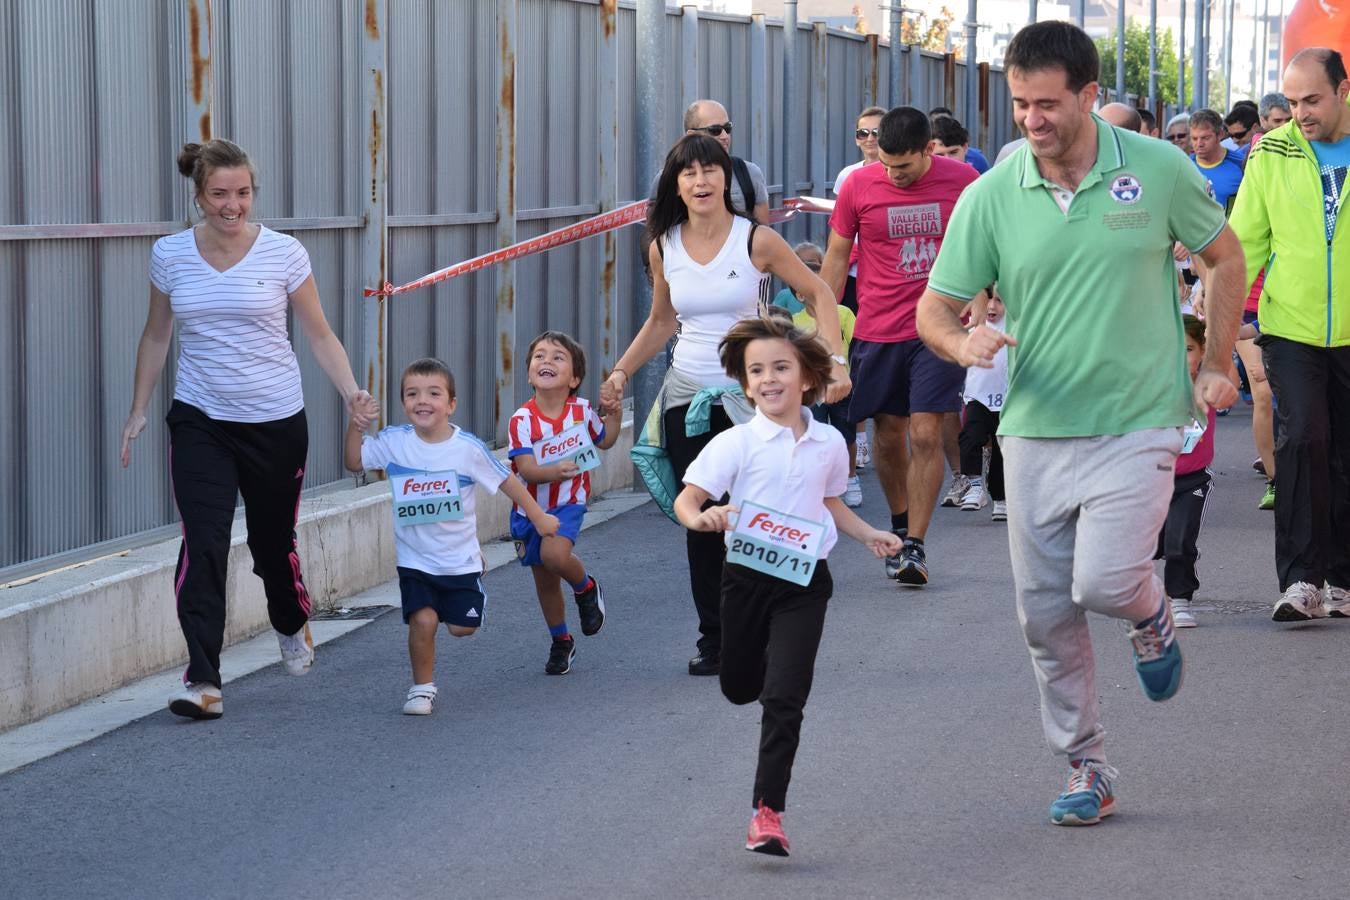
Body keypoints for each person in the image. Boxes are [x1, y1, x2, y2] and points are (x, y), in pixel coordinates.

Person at [916, 20, 1245, 825]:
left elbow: (1227, 259)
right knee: (1044, 612)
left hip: (1139, 416)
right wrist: (964, 340)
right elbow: (934, 308)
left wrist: (1215, 362)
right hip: (1034, 426)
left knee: (1102, 582)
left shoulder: (1159, 170)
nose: (1033, 119)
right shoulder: (993, 195)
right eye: (1022, 103)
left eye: (1049, 103)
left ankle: (1149, 611)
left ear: (1091, 96)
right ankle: (1087, 766)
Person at [119, 140, 375, 720]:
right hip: (200, 419)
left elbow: (318, 334)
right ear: (198, 195)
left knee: (270, 546)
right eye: (219, 194)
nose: (231, 205)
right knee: (204, 544)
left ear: (252, 192)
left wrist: (350, 393)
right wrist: (138, 409)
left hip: (275, 421)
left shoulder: (284, 253)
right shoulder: (170, 254)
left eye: (242, 193)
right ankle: (203, 679)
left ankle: (290, 619)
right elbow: (157, 334)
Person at [601, 133, 849, 677]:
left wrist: (834, 361)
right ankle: (715, 639)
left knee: (757, 516)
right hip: (688, 395)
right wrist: (621, 371)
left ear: (725, 181)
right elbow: (663, 321)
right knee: (705, 522)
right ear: (677, 185)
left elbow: (820, 294)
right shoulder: (662, 244)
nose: (700, 181)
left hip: (753, 398)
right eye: (688, 173)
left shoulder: (756, 240)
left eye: (709, 170)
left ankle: (762, 623)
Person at [672, 314, 901, 857]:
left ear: (806, 378)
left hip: (804, 582)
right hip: (746, 579)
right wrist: (701, 519)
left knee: (784, 698)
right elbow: (688, 498)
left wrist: (870, 534)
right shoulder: (736, 443)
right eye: (757, 371)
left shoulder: (828, 444)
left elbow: (828, 502)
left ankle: (767, 812)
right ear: (745, 383)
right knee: (739, 685)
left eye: (780, 367)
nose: (769, 378)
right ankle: (747, 672)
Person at [819, 106, 978, 587]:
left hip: (938, 326)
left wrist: (985, 293)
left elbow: (987, 245)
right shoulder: (858, 186)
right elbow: (836, 257)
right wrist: (828, 336)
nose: (893, 174)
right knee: (889, 435)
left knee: (927, 432)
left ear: (929, 149)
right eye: (886, 164)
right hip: (877, 327)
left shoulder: (965, 181)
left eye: (903, 166)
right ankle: (900, 523)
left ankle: (915, 545)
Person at [344, 359, 559, 714]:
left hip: (458, 560)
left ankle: (475, 579)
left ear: (451, 404)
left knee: (461, 628)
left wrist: (538, 517)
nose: (422, 401)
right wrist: (356, 426)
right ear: (403, 403)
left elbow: (507, 481)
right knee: (423, 620)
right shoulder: (395, 442)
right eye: (412, 394)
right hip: (414, 559)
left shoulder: (467, 449)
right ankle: (421, 689)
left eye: (433, 393)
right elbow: (354, 462)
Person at [1229, 47, 1350, 622]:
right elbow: (1246, 240)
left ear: (1343, 90)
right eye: (1293, 100)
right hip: (1291, 327)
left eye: (1312, 100)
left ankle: (1346, 580)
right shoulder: (1271, 152)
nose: (1300, 112)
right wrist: (1221, 316)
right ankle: (1303, 579)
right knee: (1303, 439)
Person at [507, 331, 621, 675]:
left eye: (558, 357)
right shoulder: (521, 420)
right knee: (544, 578)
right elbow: (525, 469)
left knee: (554, 555)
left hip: (568, 503)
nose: (547, 361)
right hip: (529, 508)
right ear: (529, 373)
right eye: (539, 356)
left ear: (574, 378)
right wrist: (554, 470)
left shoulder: (582, 411)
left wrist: (613, 413)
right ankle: (561, 641)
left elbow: (605, 441)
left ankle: (586, 587)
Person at [778, 247, 864, 508]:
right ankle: (819, 485)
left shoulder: (844, 314)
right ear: (799, 294)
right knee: (812, 436)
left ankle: (850, 478)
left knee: (845, 435)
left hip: (842, 387)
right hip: (811, 391)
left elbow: (858, 345)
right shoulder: (796, 320)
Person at [833, 106, 888, 467]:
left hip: (883, 282)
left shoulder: (896, 173)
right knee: (853, 355)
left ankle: (874, 433)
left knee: (874, 359)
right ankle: (859, 436)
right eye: (861, 134)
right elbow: (840, 232)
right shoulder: (848, 177)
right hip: (854, 278)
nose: (868, 140)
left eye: (876, 133)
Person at [1154, 316, 1217, 629]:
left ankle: (1179, 599)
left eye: (1189, 348)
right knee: (1149, 546)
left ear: (1203, 351)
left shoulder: (1209, 383)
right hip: (1150, 479)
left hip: (1191, 481)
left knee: (1180, 542)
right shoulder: (1149, 384)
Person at [956, 288, 1008, 521]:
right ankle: (976, 486)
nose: (991, 307)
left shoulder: (1017, 328)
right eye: (988, 300)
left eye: (999, 301)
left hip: (1006, 399)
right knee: (970, 439)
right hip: (977, 396)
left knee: (1000, 451)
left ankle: (1000, 498)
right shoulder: (974, 327)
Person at [674, 99, 769, 225]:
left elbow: (762, 231)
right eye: (715, 130)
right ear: (691, 134)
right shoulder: (669, 176)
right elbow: (656, 234)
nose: (725, 136)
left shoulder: (750, 173)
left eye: (727, 128)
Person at [1189, 109, 1245, 210]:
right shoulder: (1185, 166)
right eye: (1194, 138)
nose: (1199, 144)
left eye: (1205, 138)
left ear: (1220, 135)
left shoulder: (1241, 164)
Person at [929, 107, 990, 172]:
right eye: (939, 155)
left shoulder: (977, 159)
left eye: (953, 152)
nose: (948, 160)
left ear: (965, 147)